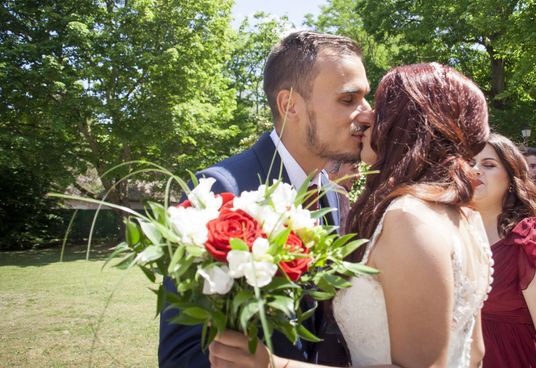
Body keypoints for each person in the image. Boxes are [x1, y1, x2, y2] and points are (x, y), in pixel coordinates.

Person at [211, 63, 494, 367]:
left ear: (408, 125)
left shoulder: (409, 219)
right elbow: (474, 351)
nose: (367, 116)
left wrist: (275, 365)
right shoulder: (464, 217)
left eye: (383, 108)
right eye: (350, 101)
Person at [158, 31, 373, 367]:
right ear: (290, 106)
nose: (367, 114)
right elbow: (181, 357)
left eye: (365, 98)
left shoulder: (330, 193)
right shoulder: (221, 192)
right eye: (348, 100)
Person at [473, 133, 536, 368]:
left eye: (488, 165)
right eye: (468, 163)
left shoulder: (532, 240)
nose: (475, 170)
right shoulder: (458, 232)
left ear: (511, 176)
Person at [325, 160, 361, 235]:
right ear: (332, 167)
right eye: (354, 168)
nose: (358, 175)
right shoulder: (340, 193)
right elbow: (343, 239)